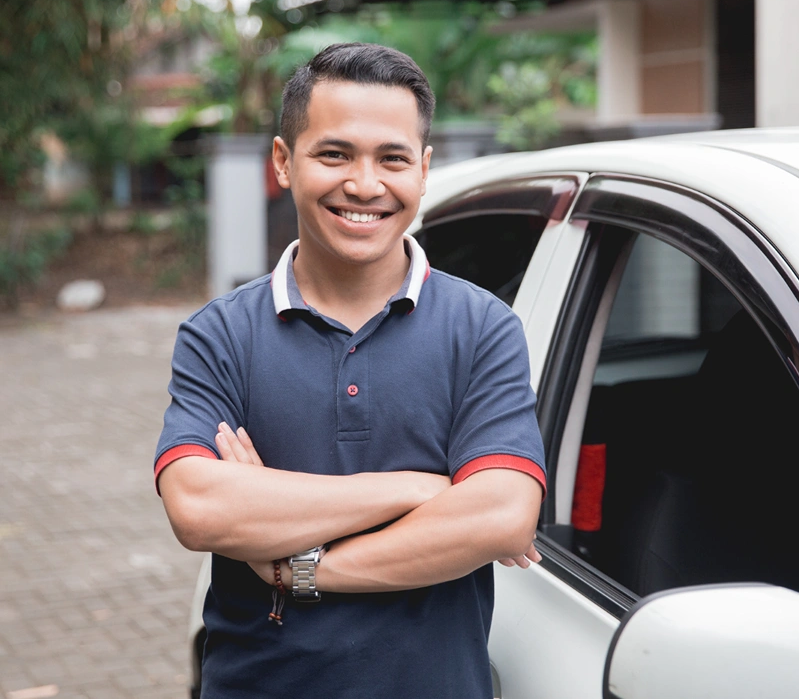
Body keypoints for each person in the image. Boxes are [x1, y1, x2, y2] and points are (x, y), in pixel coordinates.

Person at [155, 42, 546, 698]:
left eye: (392, 159)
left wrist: (294, 569)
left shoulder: (482, 329)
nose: (364, 185)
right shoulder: (219, 334)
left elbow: (502, 516)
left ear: (423, 170)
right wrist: (417, 490)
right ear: (284, 162)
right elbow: (198, 507)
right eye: (334, 154)